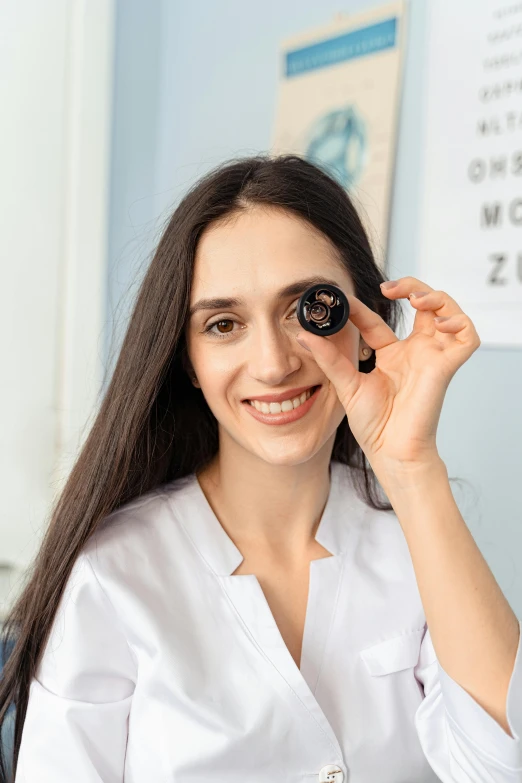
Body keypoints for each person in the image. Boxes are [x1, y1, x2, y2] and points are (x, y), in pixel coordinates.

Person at [0, 154, 520, 783]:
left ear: (360, 325)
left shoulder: (416, 540)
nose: (273, 364)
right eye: (223, 324)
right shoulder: (113, 578)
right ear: (187, 358)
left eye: (306, 308)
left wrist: (410, 465)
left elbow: (502, 763)